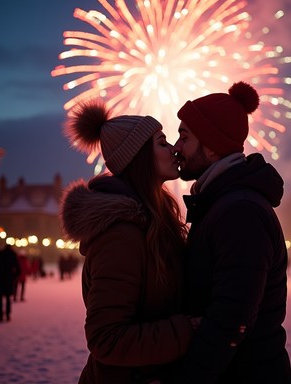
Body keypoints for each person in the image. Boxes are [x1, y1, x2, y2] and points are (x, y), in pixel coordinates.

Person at [60, 100, 193, 383]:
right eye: (161, 143)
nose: (173, 149)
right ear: (140, 157)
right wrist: (188, 330)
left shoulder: (155, 222)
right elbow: (106, 339)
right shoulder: (121, 235)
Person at [169, 81, 291, 383]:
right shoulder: (223, 203)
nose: (176, 147)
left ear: (211, 147)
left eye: (184, 137)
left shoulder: (240, 212)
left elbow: (229, 321)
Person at [0, 244, 20, 322]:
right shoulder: (12, 256)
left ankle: (0, 316)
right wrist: (15, 277)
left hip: (0, 280)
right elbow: (17, 268)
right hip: (9, 279)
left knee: (0, 298)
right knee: (8, 298)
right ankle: (7, 314)